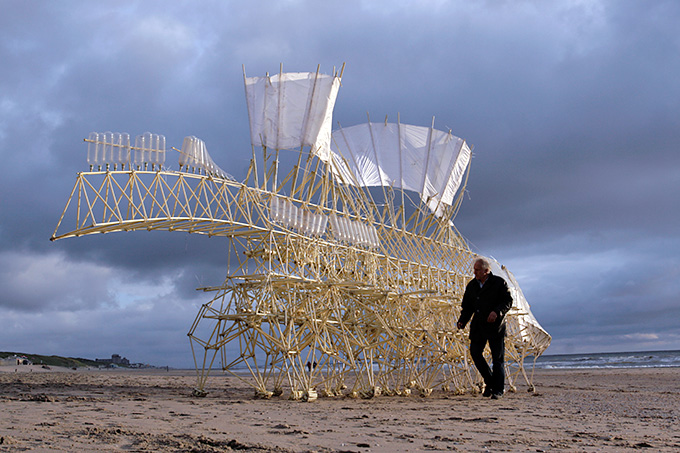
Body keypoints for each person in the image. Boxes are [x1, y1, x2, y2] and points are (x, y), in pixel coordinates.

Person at [457, 257, 513, 399]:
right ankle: (490, 382)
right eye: (474, 269)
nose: (474, 272)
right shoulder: (471, 286)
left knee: (497, 359)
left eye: (477, 270)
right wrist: (462, 321)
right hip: (478, 326)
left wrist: (497, 312)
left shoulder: (499, 283)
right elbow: (467, 307)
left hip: (495, 326)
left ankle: (498, 390)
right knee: (475, 354)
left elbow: (508, 301)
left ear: (486, 271)